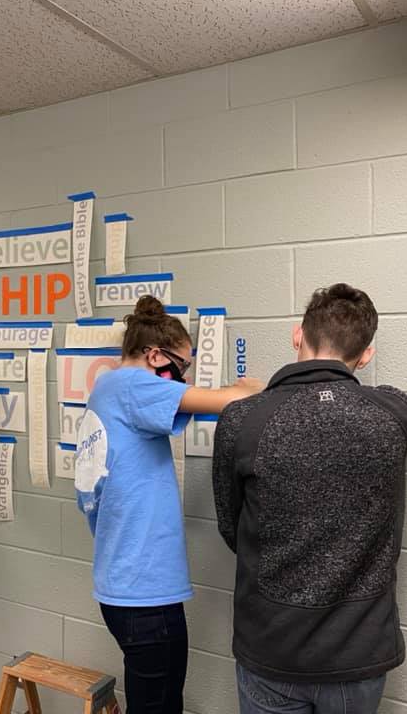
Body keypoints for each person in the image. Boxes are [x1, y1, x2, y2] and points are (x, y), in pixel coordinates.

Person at [212, 284, 407, 714]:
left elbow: (232, 529)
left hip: (273, 648)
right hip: (359, 655)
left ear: (296, 335)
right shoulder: (395, 416)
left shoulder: (242, 421)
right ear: (365, 356)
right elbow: (394, 401)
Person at [74, 295, 264, 714]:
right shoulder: (131, 385)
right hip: (144, 594)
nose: (182, 378)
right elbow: (225, 402)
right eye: (182, 366)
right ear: (156, 355)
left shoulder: (106, 386)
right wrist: (251, 390)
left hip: (123, 585)